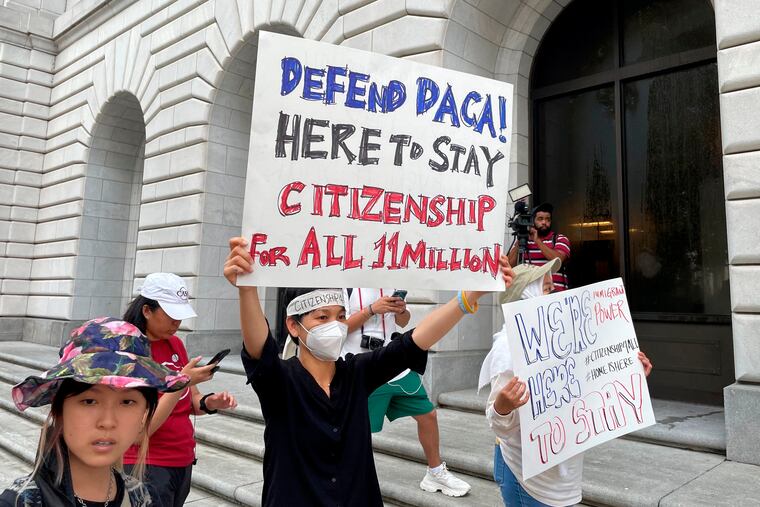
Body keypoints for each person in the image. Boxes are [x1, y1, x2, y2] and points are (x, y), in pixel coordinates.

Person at [223, 236, 514, 506]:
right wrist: (247, 289)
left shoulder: (356, 373)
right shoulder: (280, 381)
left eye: (339, 317)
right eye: (321, 318)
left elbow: (414, 340)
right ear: (293, 326)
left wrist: (473, 294)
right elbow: (260, 347)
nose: (334, 326)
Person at [481, 259, 653, 506]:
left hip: (562, 470)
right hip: (526, 476)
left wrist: (630, 375)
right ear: (525, 298)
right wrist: (503, 407)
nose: (557, 294)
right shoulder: (508, 348)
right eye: (548, 289)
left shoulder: (567, 340)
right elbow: (499, 424)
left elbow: (590, 389)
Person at [0, 317, 190, 507]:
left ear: (144, 413)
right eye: (89, 401)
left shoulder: (141, 497)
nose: (107, 422)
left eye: (127, 401)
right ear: (59, 410)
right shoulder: (22, 502)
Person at [122, 272, 238, 507]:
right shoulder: (128, 352)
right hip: (146, 463)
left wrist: (210, 402)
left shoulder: (175, 344)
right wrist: (182, 380)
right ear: (147, 310)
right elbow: (139, 431)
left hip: (182, 460)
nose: (177, 323)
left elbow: (190, 401)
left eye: (180, 316)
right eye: (171, 316)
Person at [341, 288, 471, 497]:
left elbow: (403, 322)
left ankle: (435, 472)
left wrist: (401, 311)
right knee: (356, 429)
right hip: (359, 365)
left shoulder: (390, 278)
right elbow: (336, 329)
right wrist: (372, 310)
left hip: (394, 361)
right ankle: (346, 480)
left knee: (428, 414)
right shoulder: (343, 283)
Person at [507, 202, 571, 291]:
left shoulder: (559, 239)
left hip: (555, 296)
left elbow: (557, 260)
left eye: (548, 219)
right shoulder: (523, 241)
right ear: (532, 221)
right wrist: (520, 239)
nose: (544, 222)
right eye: (540, 219)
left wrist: (537, 241)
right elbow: (509, 266)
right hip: (531, 296)